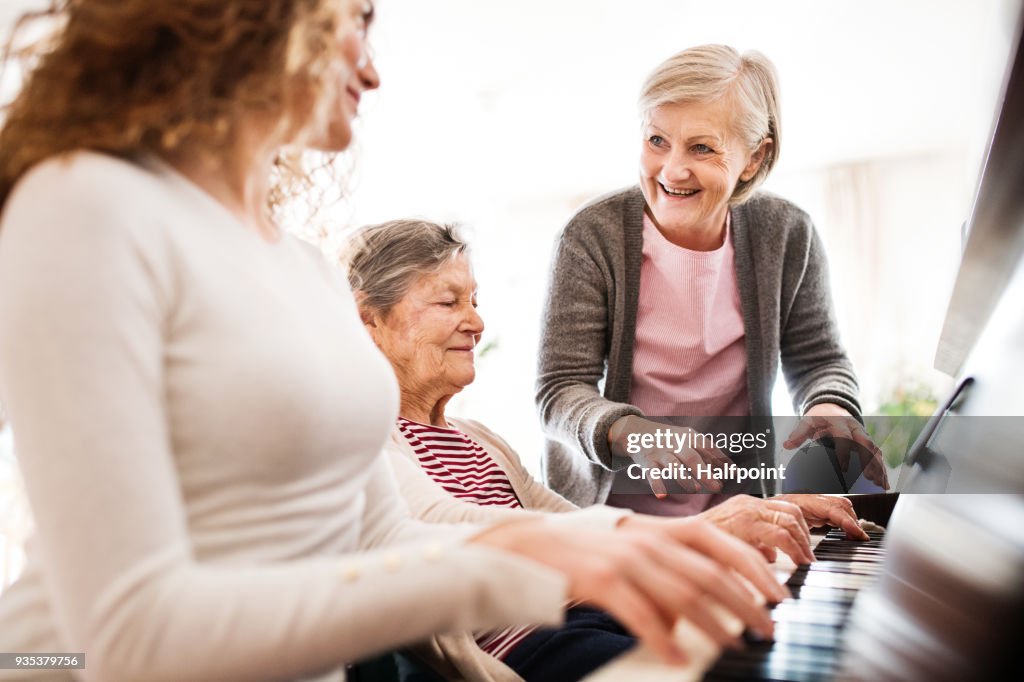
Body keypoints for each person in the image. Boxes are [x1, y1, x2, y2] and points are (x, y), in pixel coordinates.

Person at [0, 6, 780, 681]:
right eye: (356, 22)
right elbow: (131, 630)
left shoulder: (297, 263)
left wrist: (614, 538)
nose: (372, 72)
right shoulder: (85, 206)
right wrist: (559, 560)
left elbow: (382, 534)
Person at [346, 219, 812, 681]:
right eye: (449, 302)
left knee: (765, 645)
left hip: (597, 617)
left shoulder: (481, 439)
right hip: (535, 647)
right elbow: (440, 529)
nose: (476, 322)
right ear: (369, 319)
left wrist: (743, 523)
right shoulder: (362, 440)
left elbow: (575, 530)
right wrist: (694, 534)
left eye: (474, 301)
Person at [535, 44, 885, 533]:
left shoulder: (786, 233)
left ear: (753, 157)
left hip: (735, 514)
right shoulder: (591, 237)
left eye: (702, 147)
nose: (672, 170)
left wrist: (829, 407)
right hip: (611, 525)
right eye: (657, 140)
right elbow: (559, 391)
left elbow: (819, 358)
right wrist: (632, 432)